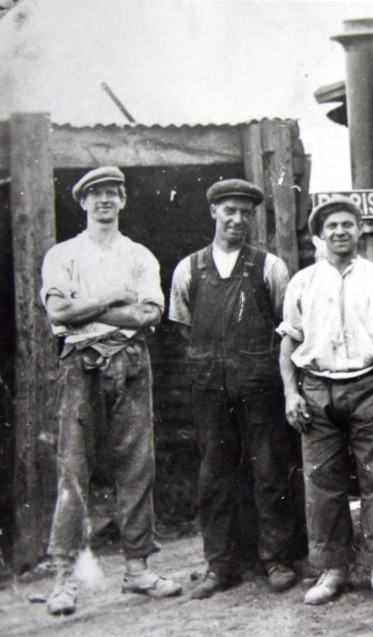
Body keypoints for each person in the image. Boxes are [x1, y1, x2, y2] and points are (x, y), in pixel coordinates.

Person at [40, 166, 181, 616]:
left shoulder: (139, 255)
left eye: (112, 193)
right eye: (95, 193)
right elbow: (58, 314)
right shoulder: (63, 254)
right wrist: (112, 299)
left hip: (130, 361)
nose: (104, 200)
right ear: (83, 202)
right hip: (80, 363)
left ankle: (138, 568)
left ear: (122, 201)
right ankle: (64, 578)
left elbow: (147, 317)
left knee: (137, 465)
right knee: (73, 470)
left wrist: (87, 312)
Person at [168, 179, 303, 599]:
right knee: (215, 475)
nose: (237, 219)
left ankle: (275, 558)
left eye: (246, 212)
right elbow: (184, 327)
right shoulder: (189, 269)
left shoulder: (269, 268)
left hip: (260, 385)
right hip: (210, 388)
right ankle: (220, 565)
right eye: (229, 210)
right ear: (213, 213)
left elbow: (288, 328)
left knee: (269, 471)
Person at [277, 198, 373, 606]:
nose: (340, 232)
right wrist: (291, 392)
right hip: (316, 389)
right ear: (319, 235)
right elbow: (289, 342)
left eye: (348, 225)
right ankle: (332, 568)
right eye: (332, 226)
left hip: (369, 385)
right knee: (322, 483)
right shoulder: (302, 282)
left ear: (359, 231)